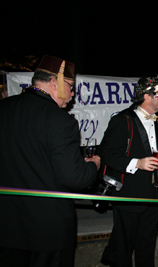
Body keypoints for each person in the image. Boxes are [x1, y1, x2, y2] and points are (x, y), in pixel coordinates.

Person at [0, 55, 100, 266]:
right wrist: (93, 165)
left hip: (7, 226)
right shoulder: (60, 120)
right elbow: (74, 178)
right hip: (46, 230)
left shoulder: (4, 108)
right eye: (71, 87)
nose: (72, 94)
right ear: (55, 83)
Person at [99, 76, 158, 267]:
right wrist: (137, 163)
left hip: (153, 195)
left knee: (147, 244)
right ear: (146, 97)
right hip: (128, 195)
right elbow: (107, 155)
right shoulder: (122, 120)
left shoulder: (157, 122)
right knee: (123, 248)